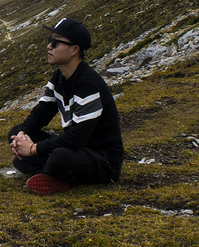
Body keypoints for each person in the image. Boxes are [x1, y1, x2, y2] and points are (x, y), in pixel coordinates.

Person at [8, 17, 124, 195]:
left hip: (102, 159)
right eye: (50, 41)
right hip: (78, 148)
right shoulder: (59, 77)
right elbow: (42, 113)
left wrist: (32, 149)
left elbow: (77, 138)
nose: (49, 46)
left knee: (58, 158)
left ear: (74, 50)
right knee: (15, 133)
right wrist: (22, 134)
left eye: (55, 42)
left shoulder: (88, 84)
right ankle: (51, 174)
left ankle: (51, 172)